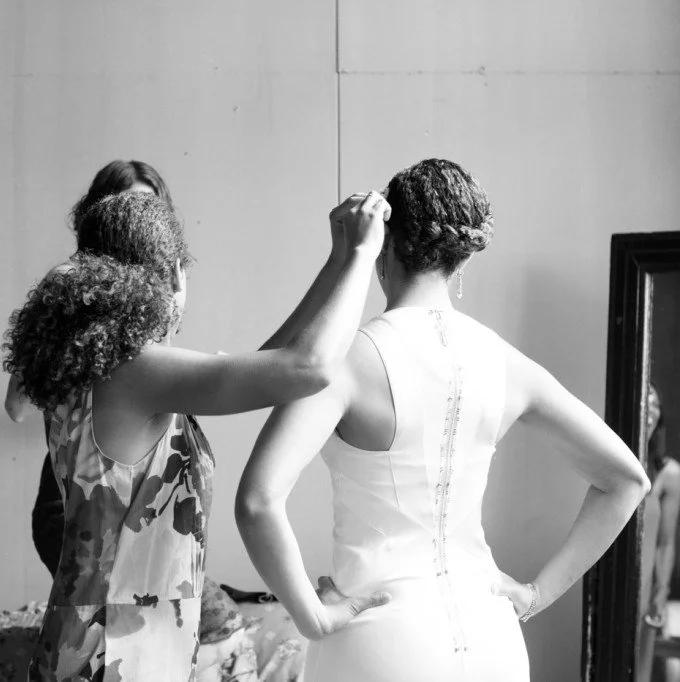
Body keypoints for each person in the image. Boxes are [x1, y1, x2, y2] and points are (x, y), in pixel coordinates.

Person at [236, 158, 651, 682]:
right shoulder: (507, 363)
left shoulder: (344, 361)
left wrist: (312, 617)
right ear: (462, 262)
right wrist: (536, 594)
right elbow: (627, 480)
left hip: (381, 643)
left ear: (385, 245)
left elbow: (257, 501)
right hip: (494, 640)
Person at [4, 190, 390, 681]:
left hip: (95, 651)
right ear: (172, 275)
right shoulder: (134, 373)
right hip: (116, 660)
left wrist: (337, 261)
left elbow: (267, 364)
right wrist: (363, 254)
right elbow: (307, 368)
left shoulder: (90, 373)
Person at [5, 159, 173, 577]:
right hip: (76, 500)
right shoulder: (69, 283)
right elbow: (17, 404)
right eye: (125, 207)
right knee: (93, 636)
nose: (136, 221)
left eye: (149, 210)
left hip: (145, 491)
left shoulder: (162, 289)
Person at [637, 384, 680, 682]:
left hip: (643, 590)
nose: (649, 410)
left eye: (655, 404)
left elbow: (666, 544)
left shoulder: (669, 474)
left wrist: (660, 595)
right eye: (644, 402)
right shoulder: (613, 464)